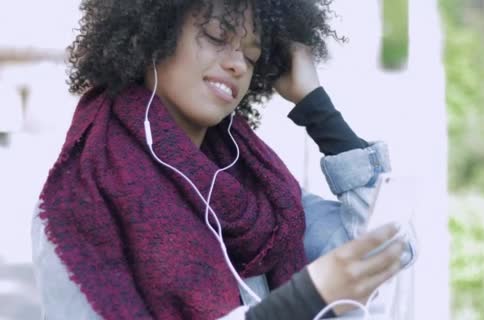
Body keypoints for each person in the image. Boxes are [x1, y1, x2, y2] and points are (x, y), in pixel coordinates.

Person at [31, 0, 416, 319]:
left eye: (252, 57)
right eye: (216, 37)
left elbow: (388, 248)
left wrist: (316, 106)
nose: (236, 64)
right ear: (154, 35)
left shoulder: (258, 187)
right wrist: (304, 300)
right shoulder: (81, 199)